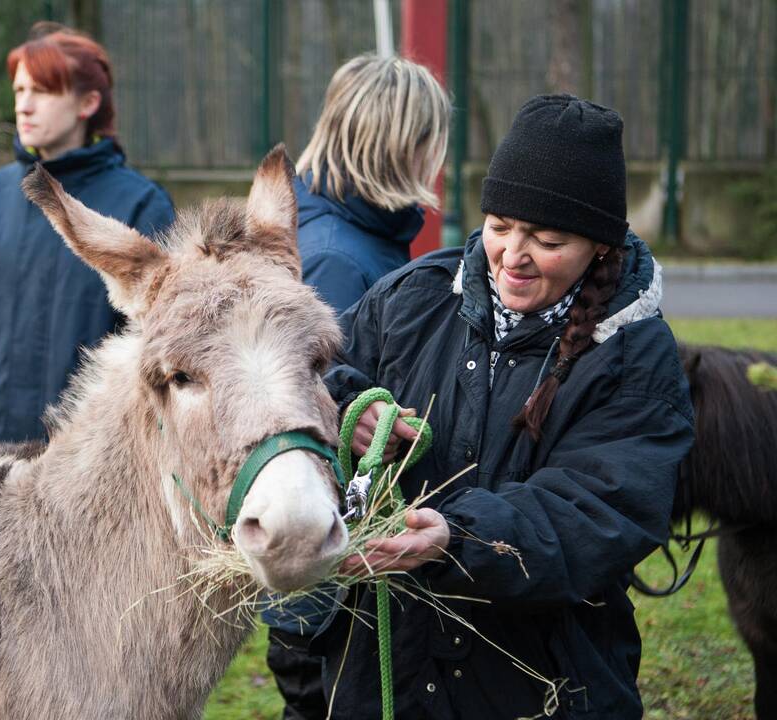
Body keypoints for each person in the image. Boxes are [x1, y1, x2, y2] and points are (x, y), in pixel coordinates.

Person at [310, 95, 694, 719]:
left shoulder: (632, 356)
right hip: (388, 673)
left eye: (547, 240)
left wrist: (456, 538)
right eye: (499, 226)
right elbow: (315, 368)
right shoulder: (413, 298)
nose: (513, 255)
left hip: (543, 683)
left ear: (599, 246)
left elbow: (600, 508)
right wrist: (349, 407)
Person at [262, 53, 451, 720]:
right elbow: (322, 413)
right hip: (330, 569)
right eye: (431, 141)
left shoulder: (354, 235)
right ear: (399, 143)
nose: (438, 159)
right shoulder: (339, 259)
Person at [0, 29, 174, 458]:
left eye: (43, 91)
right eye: (19, 89)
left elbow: (157, 350)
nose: (24, 104)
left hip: (87, 464)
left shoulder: (140, 205)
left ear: (87, 103)